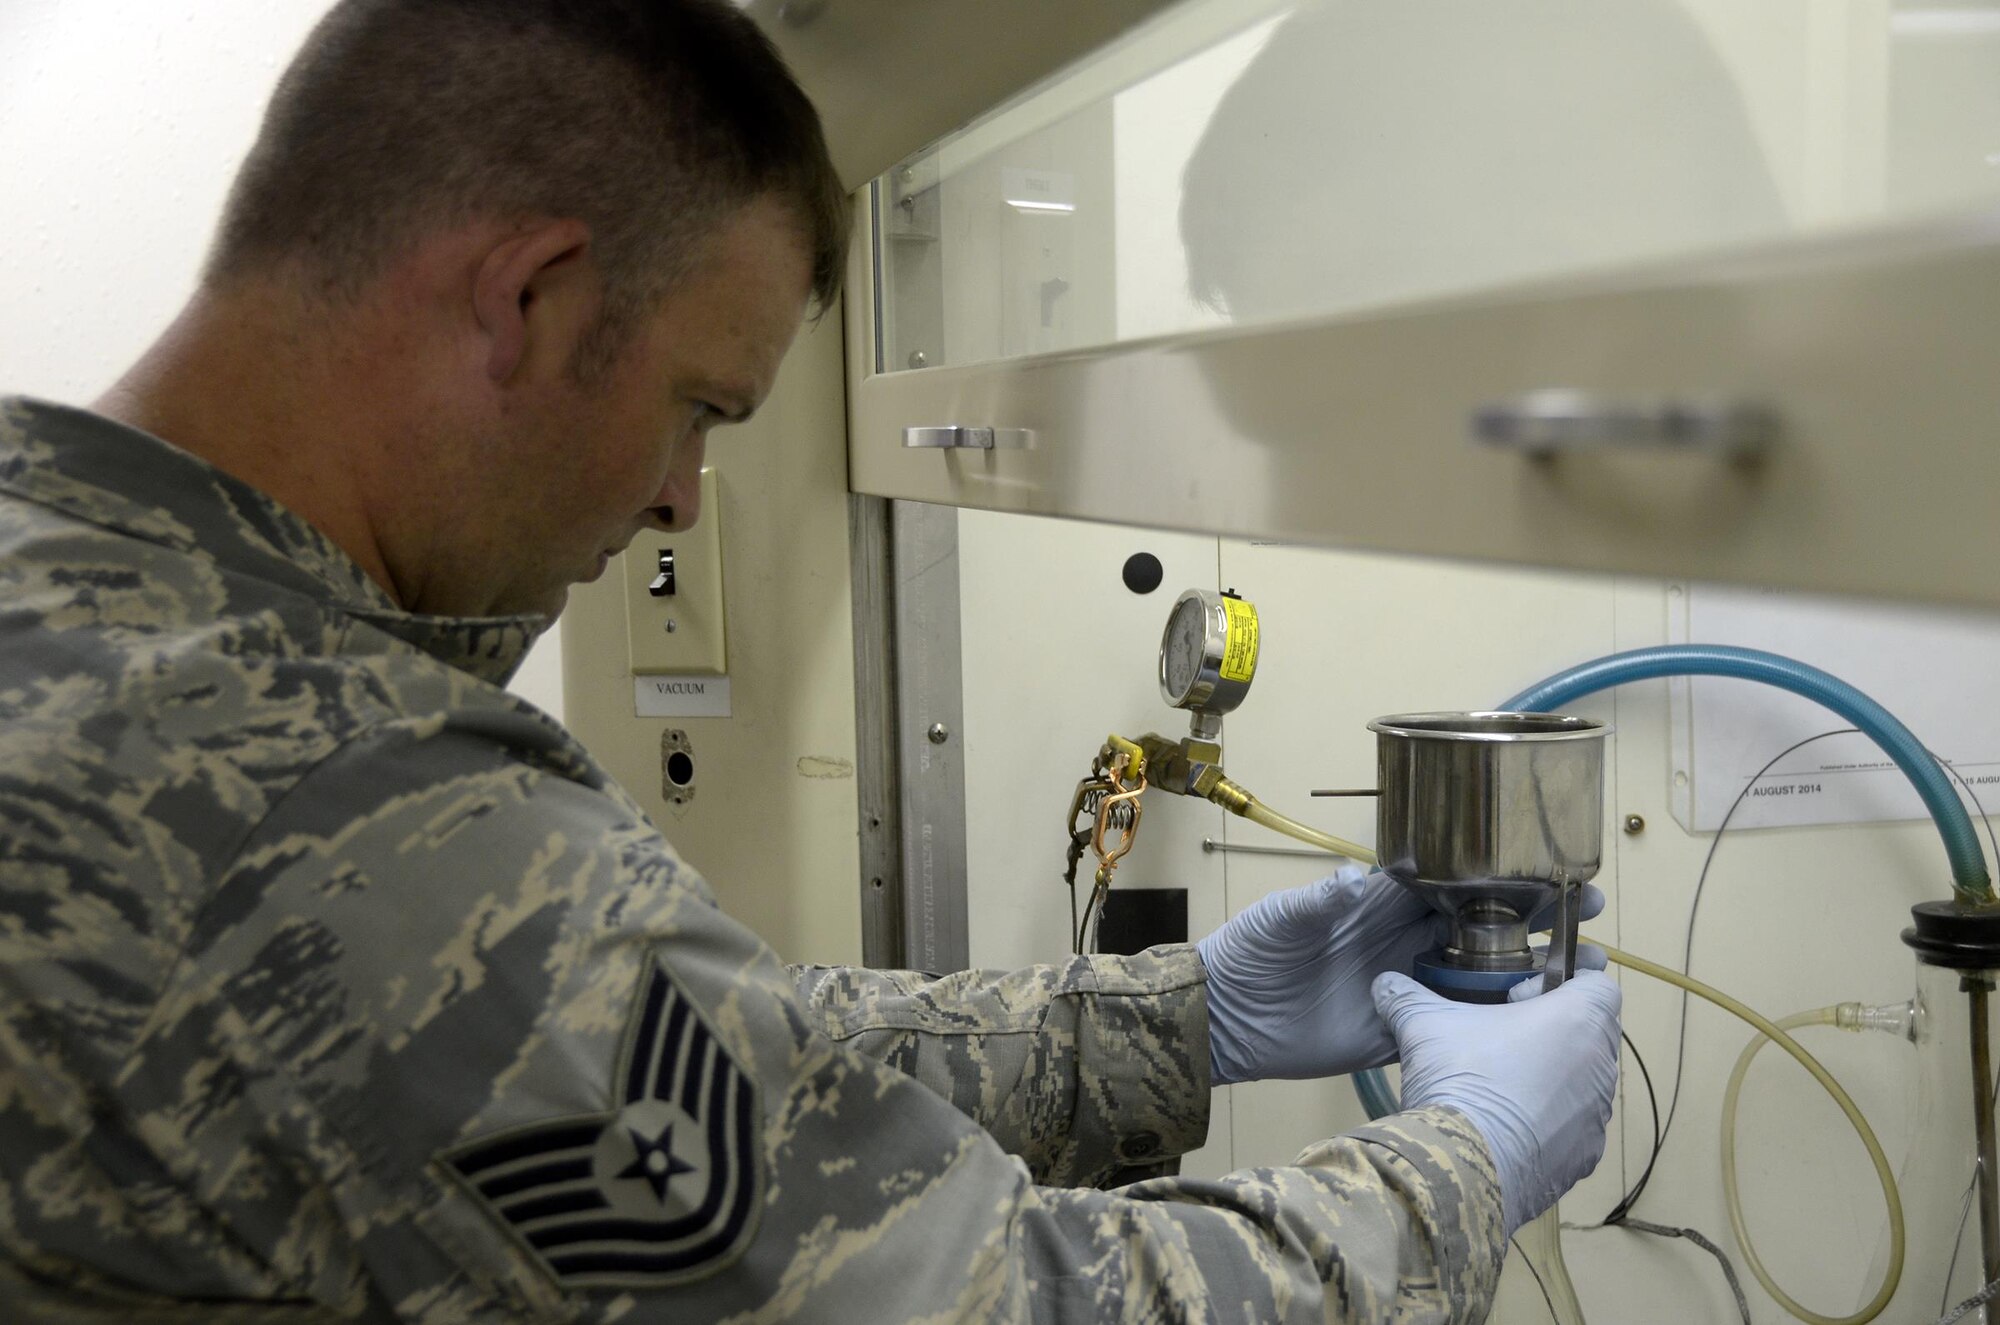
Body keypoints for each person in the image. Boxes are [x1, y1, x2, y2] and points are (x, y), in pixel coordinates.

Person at [0, 1, 1623, 1320]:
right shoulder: (332, 795)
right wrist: (1466, 1159)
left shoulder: (69, 582)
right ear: (532, 296)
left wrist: (1186, 1017)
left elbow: (701, 1059)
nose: (675, 499)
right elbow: (994, 1306)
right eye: (700, 406)